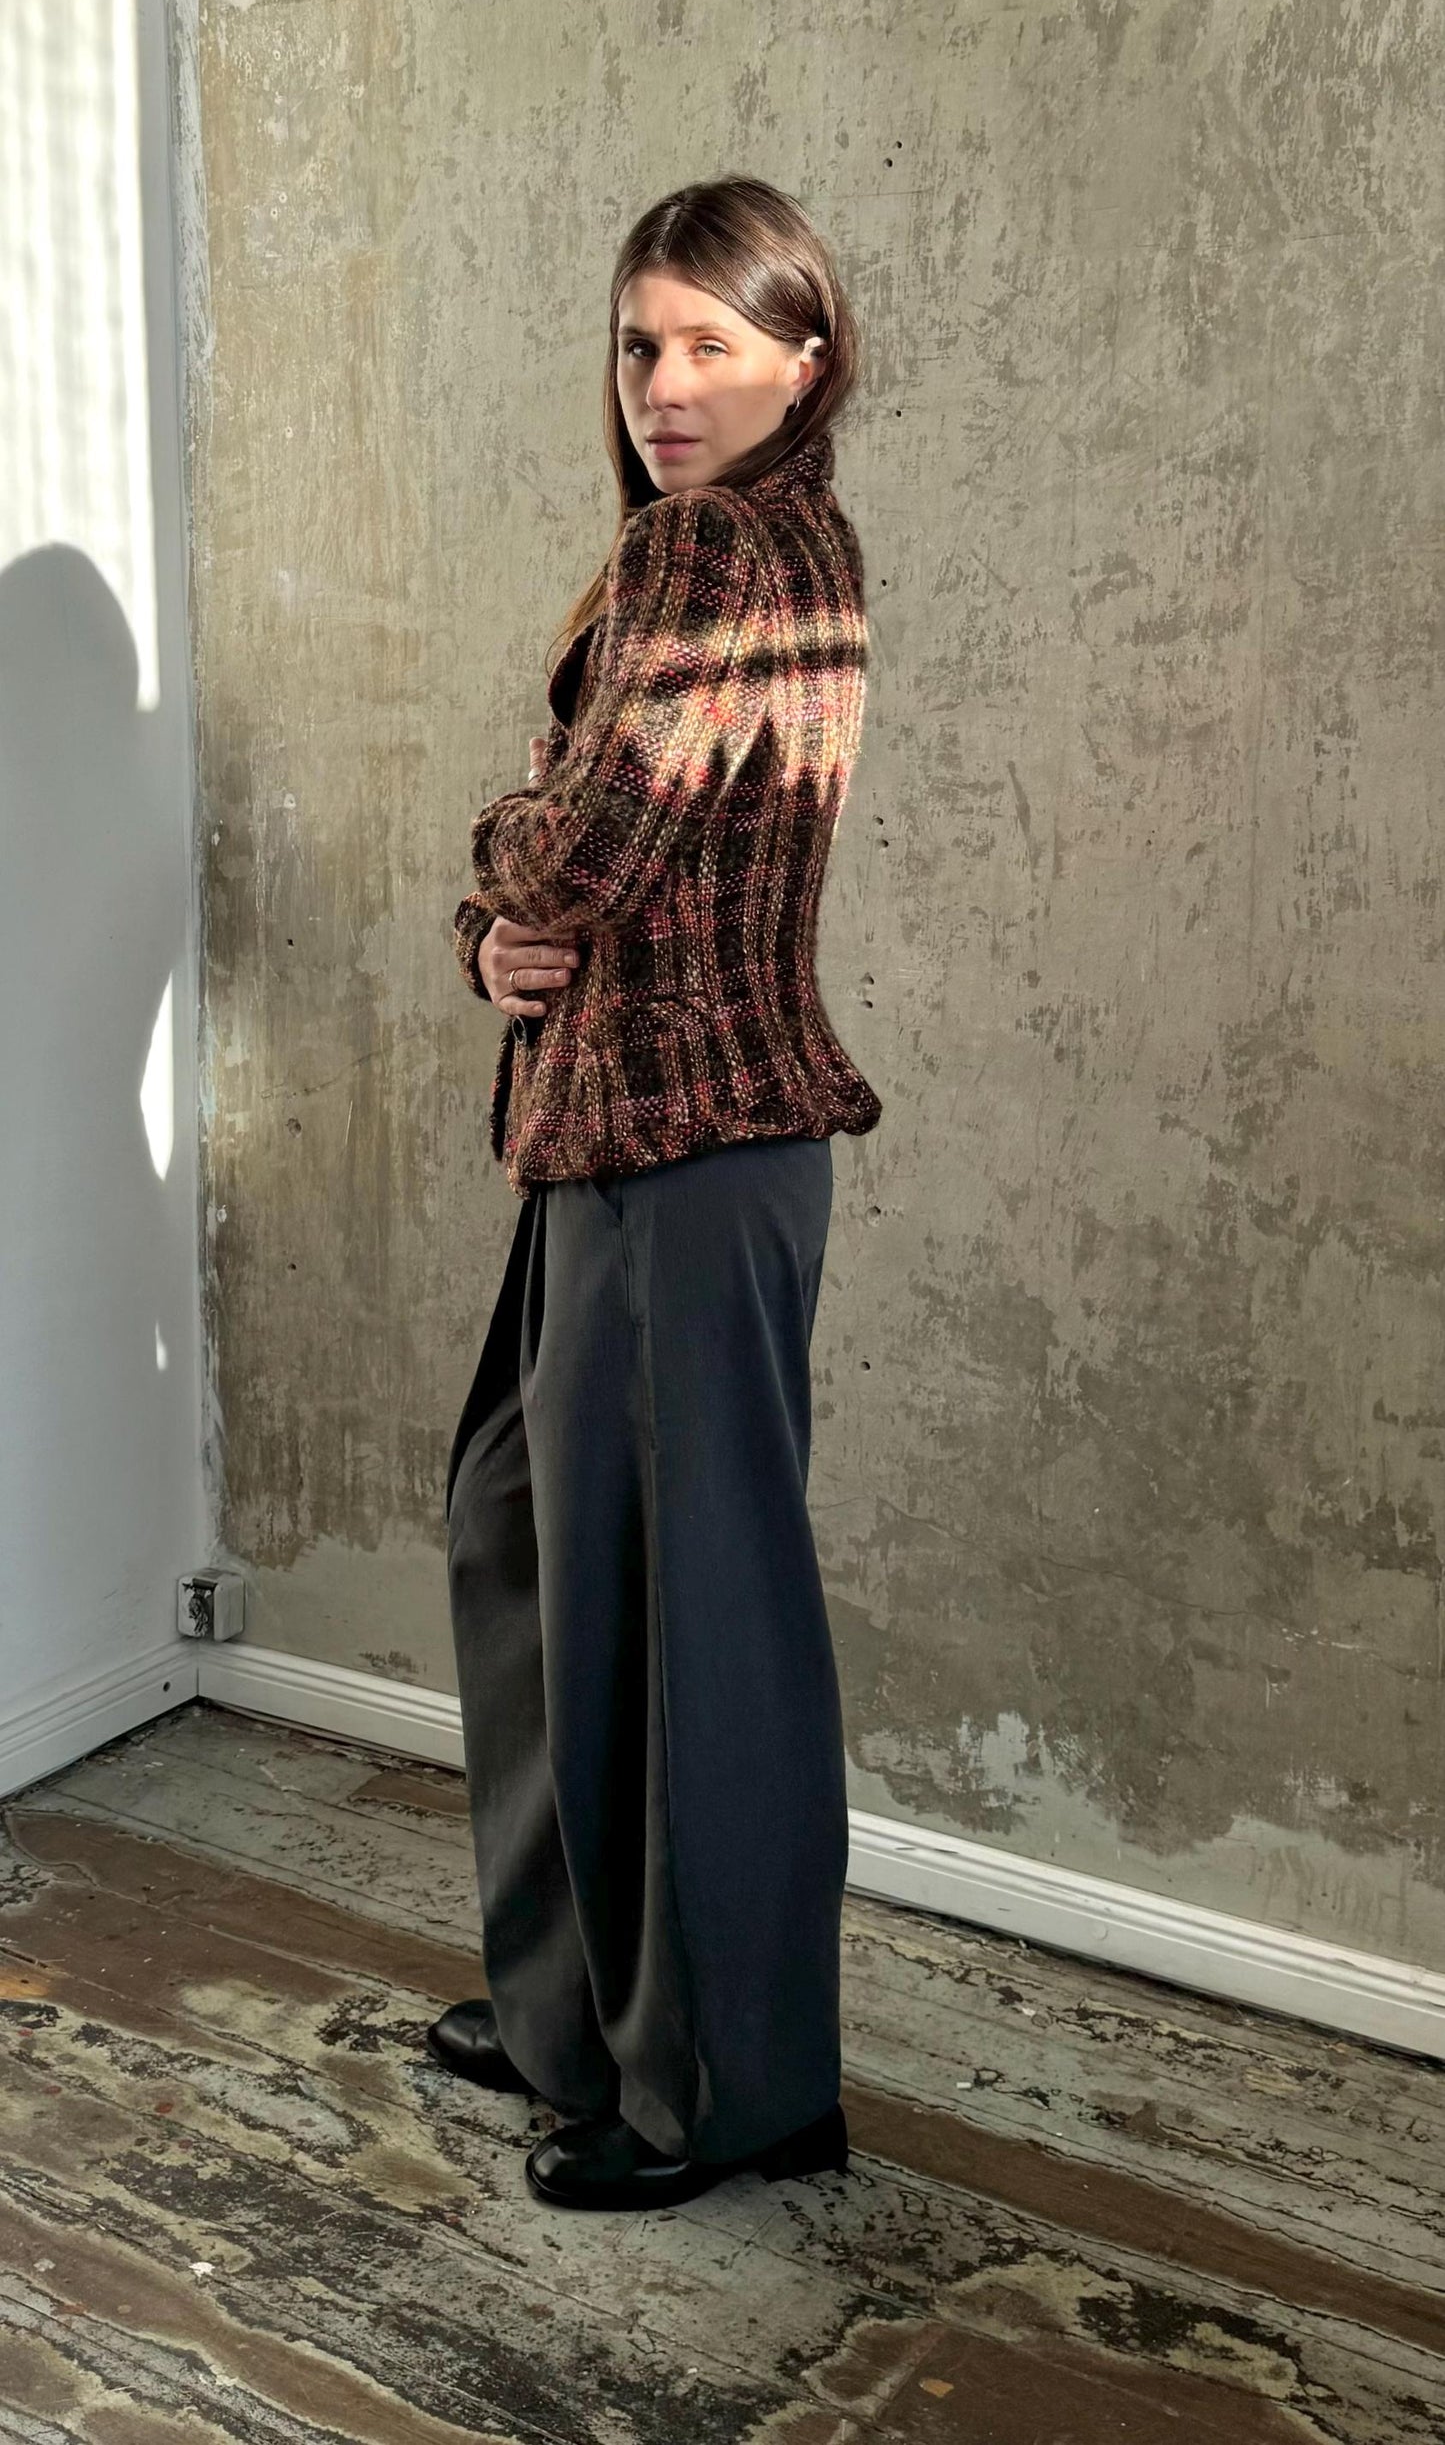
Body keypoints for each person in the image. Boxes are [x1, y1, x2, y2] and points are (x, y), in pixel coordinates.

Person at [430, 175, 884, 2212]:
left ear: (807, 359)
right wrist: (495, 934)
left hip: (691, 1161)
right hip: (626, 1141)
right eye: (640, 343)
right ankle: (570, 2011)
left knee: (690, 1627)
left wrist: (497, 867)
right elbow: (572, 894)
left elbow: (587, 852)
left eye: (712, 342)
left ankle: (729, 2084)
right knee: (534, 1548)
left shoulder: (725, 548)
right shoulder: (707, 551)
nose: (668, 383)